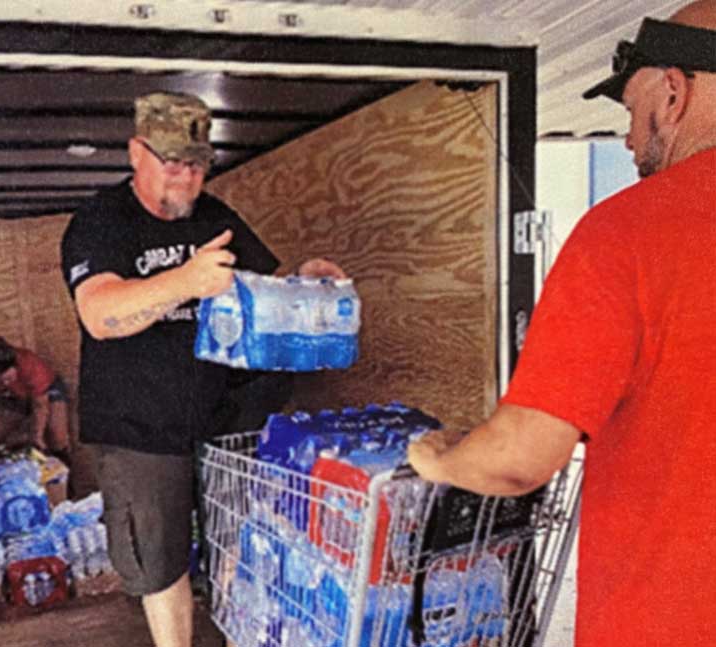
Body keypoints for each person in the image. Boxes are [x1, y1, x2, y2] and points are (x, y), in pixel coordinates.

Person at [406, 3, 716, 645]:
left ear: (674, 91)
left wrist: (440, 461)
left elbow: (518, 460)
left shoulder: (627, 232)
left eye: (631, 112)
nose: (628, 140)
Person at [60, 91, 345, 647]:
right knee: (160, 564)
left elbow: (264, 292)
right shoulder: (100, 221)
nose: (185, 180)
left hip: (224, 422)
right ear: (135, 153)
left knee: (237, 546)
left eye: (196, 165)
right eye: (172, 164)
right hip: (140, 432)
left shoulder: (215, 216)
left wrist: (307, 279)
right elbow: (99, 313)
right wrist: (186, 281)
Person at [0, 336, 71, 463]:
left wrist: (37, 437)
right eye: (1, 380)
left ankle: (64, 472)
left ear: (16, 367)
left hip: (47, 391)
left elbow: (40, 405)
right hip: (13, 396)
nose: (6, 382)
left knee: (57, 436)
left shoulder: (31, 365)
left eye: (9, 378)